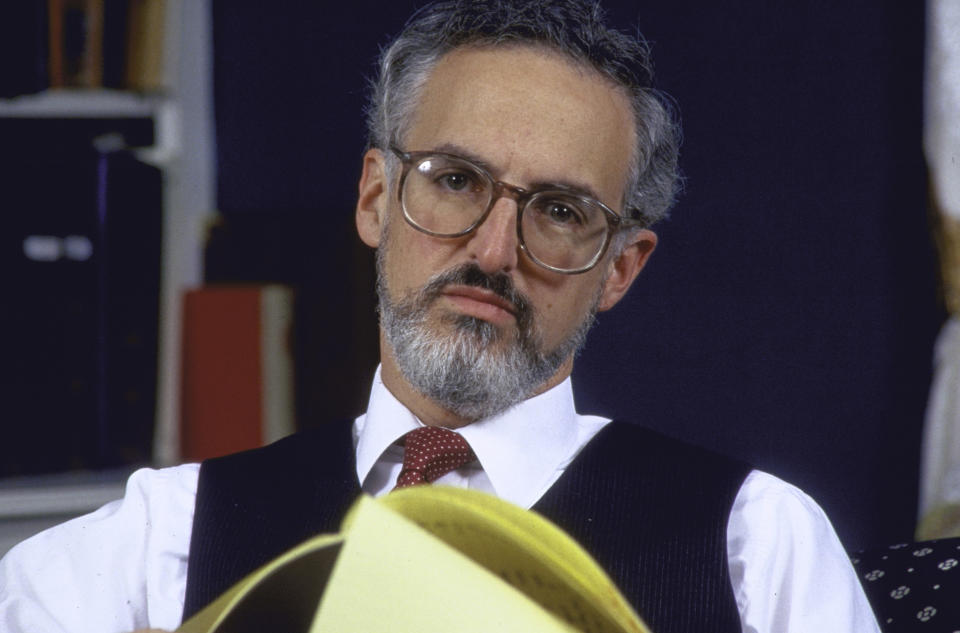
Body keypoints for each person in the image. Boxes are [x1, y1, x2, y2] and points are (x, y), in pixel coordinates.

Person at [0, 1, 880, 632]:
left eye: (561, 211)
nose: (494, 251)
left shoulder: (755, 544)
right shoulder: (161, 538)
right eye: (455, 181)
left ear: (621, 268)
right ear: (377, 197)